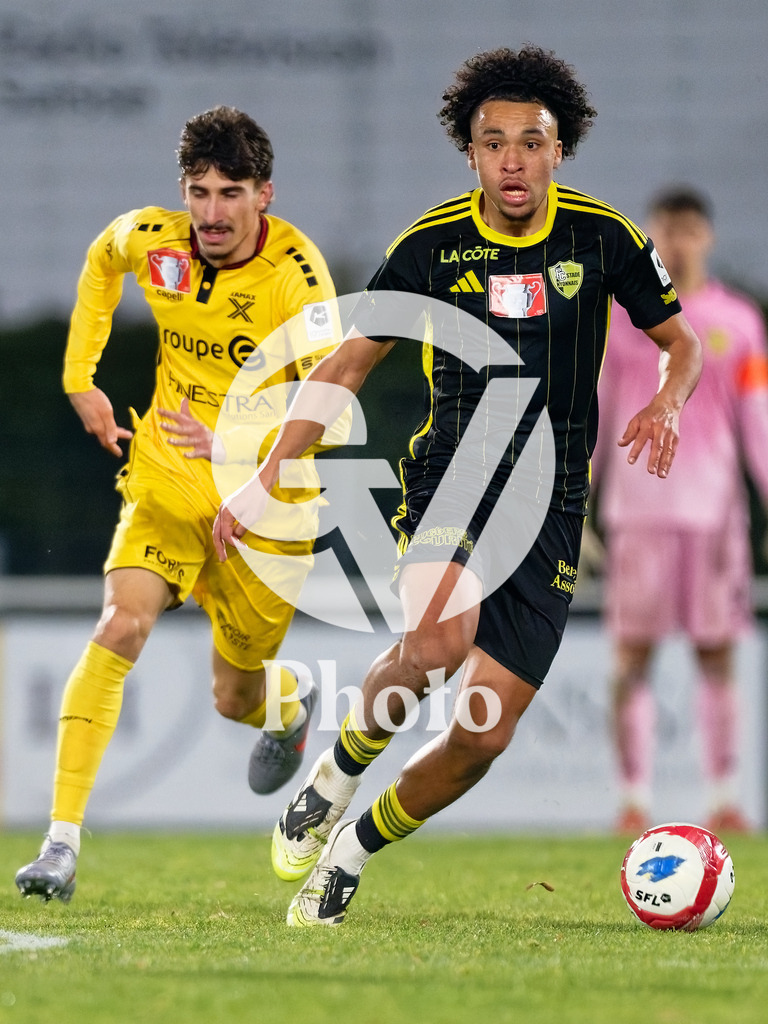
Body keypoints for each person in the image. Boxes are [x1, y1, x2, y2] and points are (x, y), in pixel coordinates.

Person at [213, 46, 703, 927]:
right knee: (439, 643)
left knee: (482, 736)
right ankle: (330, 778)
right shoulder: (432, 244)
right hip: (455, 473)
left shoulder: (604, 238)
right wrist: (263, 477)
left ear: (562, 150)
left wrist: (669, 401)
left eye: (531, 141)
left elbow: (684, 343)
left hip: (554, 503)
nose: (512, 158)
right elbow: (347, 365)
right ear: (470, 154)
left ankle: (351, 852)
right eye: (493, 142)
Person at [15, 105, 341, 903]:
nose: (211, 213)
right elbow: (100, 260)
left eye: (231, 193)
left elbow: (332, 408)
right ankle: (60, 845)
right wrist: (78, 377)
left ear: (266, 194)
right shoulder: (157, 240)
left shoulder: (299, 281)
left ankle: (287, 701)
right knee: (119, 625)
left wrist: (238, 448)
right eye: (199, 191)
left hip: (268, 506)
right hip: (164, 477)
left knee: (234, 698)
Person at [589, 186, 768, 835]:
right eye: (667, 228)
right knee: (630, 659)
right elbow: (597, 416)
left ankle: (724, 796)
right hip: (637, 516)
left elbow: (759, 424)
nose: (679, 241)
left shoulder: (740, 322)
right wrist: (576, 507)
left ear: (708, 238)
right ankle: (633, 799)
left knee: (717, 657)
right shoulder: (617, 319)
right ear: (649, 235)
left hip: (715, 518)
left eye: (690, 230)